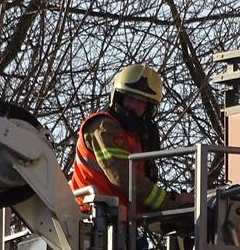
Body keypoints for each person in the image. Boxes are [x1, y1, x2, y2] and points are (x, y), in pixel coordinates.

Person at [70, 64, 192, 213]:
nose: (133, 105)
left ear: (149, 108)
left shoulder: (134, 136)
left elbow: (140, 187)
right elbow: (124, 178)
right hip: (95, 220)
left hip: (120, 223)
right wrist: (175, 202)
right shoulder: (104, 127)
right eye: (129, 98)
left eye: (141, 101)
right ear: (118, 97)